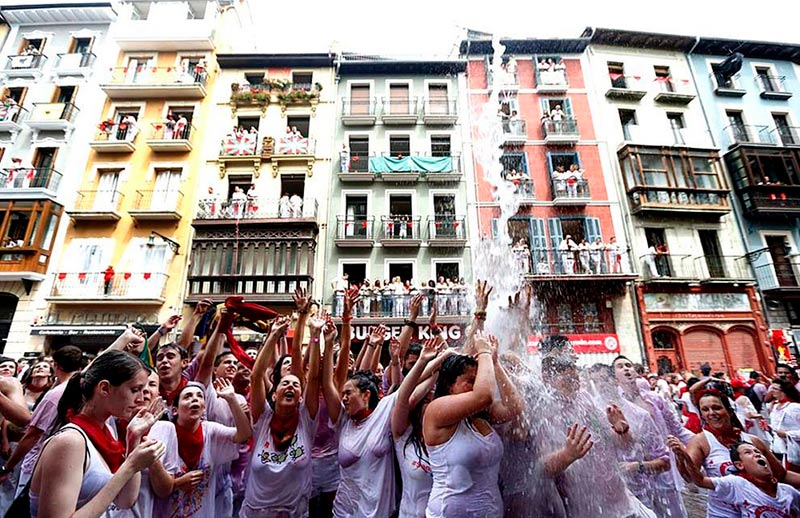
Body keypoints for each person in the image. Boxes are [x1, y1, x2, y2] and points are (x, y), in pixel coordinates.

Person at [424, 281, 524, 517]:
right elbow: (484, 394)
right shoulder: (437, 410)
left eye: (478, 378)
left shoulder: (481, 415)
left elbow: (516, 407)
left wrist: (495, 363)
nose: (477, 382)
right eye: (470, 380)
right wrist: (484, 352)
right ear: (450, 384)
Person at [28, 351, 166, 517]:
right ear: (104, 388)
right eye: (135, 389)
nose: (141, 398)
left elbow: (125, 501)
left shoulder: (106, 432)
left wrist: (134, 439)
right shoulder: (70, 442)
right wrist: (130, 466)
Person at [242, 309, 321, 516]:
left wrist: (315, 335)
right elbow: (256, 376)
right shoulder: (263, 418)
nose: (291, 386)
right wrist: (274, 335)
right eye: (285, 383)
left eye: (296, 385)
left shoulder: (306, 420)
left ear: (301, 398)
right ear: (274, 395)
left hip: (293, 513)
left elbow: (314, 378)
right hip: (256, 512)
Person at [322, 326, 401, 517]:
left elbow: (404, 387)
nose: (343, 398)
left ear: (366, 395)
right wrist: (328, 342)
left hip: (379, 512)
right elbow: (327, 384)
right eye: (342, 394)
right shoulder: (343, 419)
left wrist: (397, 360)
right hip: (343, 512)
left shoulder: (383, 412)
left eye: (348, 393)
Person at [670, 438, 800, 518]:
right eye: (748, 453)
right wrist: (684, 456)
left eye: (758, 452)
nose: (756, 455)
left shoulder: (789, 492)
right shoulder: (737, 484)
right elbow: (700, 481)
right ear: (739, 465)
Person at [767, 379, 800, 471]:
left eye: (775, 388)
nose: (771, 391)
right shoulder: (775, 406)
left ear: (783, 391)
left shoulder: (794, 408)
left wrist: (787, 434)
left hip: (795, 449)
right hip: (782, 450)